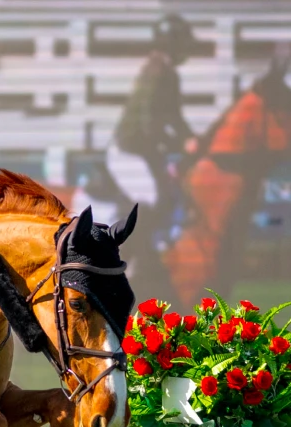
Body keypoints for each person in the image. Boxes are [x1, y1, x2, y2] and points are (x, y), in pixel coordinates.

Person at [108, 14, 198, 250]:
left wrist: (191, 138)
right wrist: (178, 144)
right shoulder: (157, 72)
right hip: (130, 151)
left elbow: (174, 117)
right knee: (150, 201)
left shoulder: (168, 73)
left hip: (145, 150)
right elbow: (150, 121)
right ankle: (124, 258)